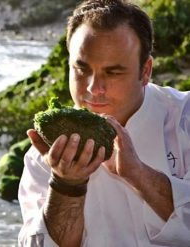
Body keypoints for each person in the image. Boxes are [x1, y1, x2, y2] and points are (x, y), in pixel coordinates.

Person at [18, 0, 190, 246]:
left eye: (113, 72)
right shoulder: (47, 154)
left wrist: (139, 174)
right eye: (81, 69)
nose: (93, 89)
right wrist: (67, 185)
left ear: (145, 71)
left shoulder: (184, 119)